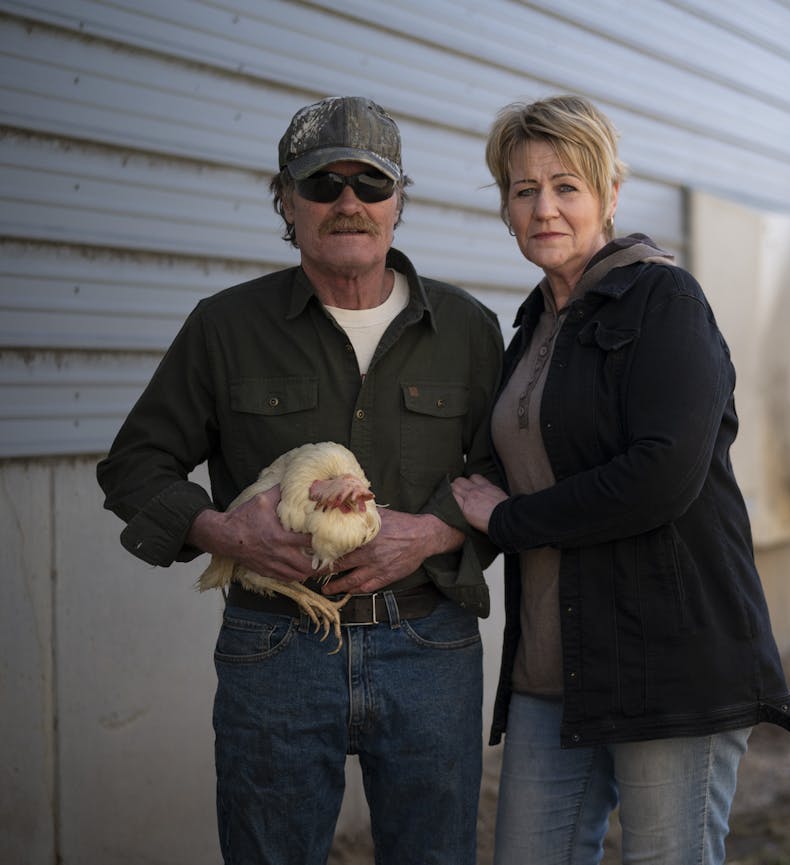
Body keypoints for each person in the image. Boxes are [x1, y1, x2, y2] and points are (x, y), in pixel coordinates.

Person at [96, 96, 503, 863]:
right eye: (322, 183)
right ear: (286, 201)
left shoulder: (468, 330)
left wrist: (432, 532)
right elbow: (133, 464)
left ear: (399, 201)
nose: (348, 202)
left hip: (429, 642)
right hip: (274, 646)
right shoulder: (225, 327)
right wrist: (224, 530)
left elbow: (502, 472)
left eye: (370, 183)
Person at [451, 94, 790, 865]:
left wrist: (509, 521)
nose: (544, 207)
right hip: (554, 666)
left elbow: (660, 476)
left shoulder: (665, 301)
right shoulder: (533, 326)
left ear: (611, 195)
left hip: (668, 664)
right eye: (523, 189)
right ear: (506, 209)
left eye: (567, 185)